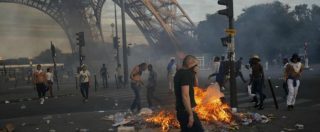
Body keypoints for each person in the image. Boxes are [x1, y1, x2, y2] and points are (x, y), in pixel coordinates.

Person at [174, 55, 204, 132]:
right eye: (196, 65)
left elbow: (196, 85)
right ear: (191, 64)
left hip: (183, 111)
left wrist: (195, 73)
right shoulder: (185, 74)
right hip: (186, 112)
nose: (197, 67)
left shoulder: (180, 73)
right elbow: (185, 96)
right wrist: (190, 115)